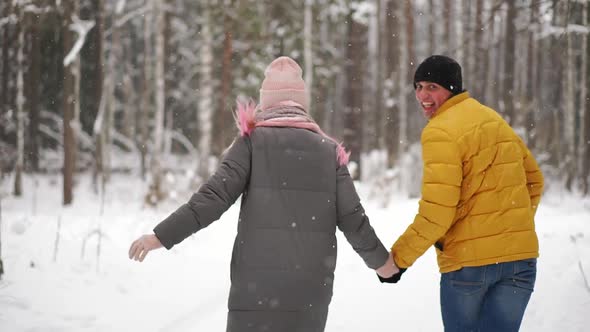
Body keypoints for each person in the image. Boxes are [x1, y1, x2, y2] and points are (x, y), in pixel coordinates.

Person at [128, 56, 397, 332]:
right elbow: (354, 221)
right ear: (301, 102)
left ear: (265, 102)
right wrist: (383, 263)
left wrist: (160, 236)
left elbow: (211, 199)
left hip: (254, 289)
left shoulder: (250, 144)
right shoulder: (329, 152)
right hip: (309, 290)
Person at [379, 55, 544, 332]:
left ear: (452, 88)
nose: (422, 95)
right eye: (418, 86)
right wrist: (510, 230)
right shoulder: (493, 119)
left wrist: (397, 261)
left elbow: (437, 212)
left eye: (432, 86)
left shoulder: (440, 131)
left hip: (469, 265)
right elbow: (535, 181)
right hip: (520, 263)